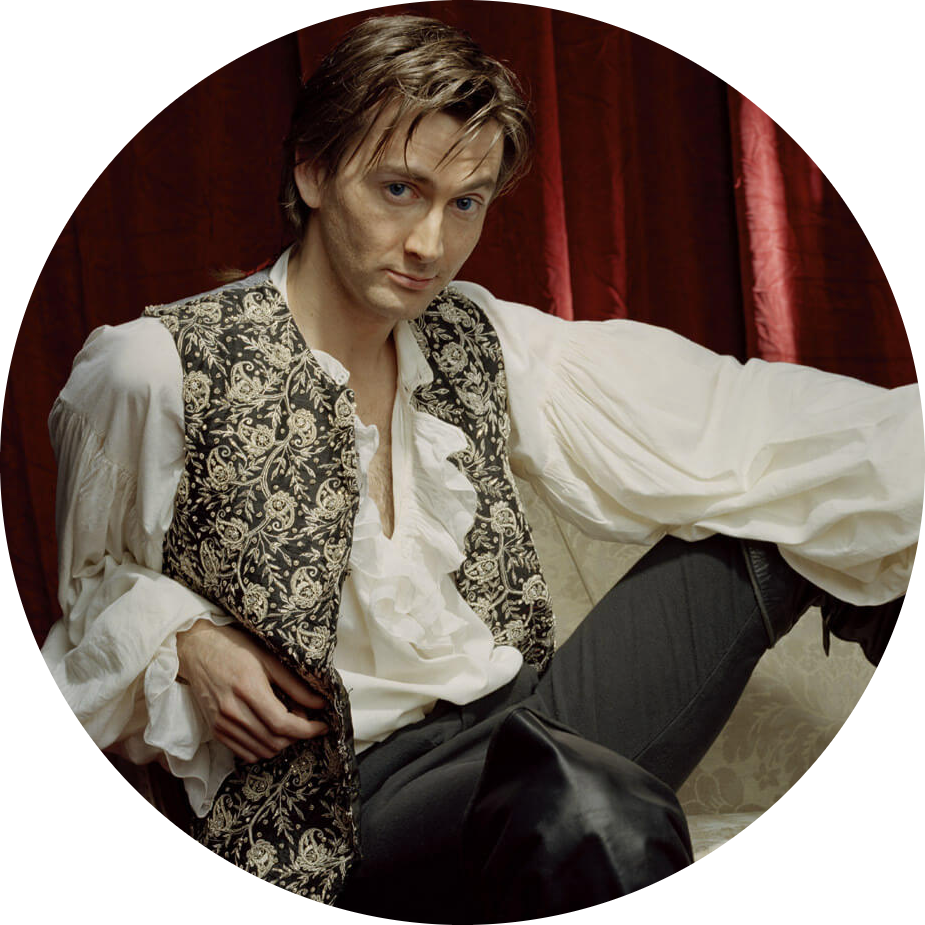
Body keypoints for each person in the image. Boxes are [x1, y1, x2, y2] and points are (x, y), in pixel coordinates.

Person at [41, 14, 920, 922]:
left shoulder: (475, 334)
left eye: (465, 203)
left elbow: (738, 418)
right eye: (399, 189)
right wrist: (180, 636)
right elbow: (91, 587)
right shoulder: (154, 367)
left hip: (525, 724)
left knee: (782, 502)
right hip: (335, 806)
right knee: (577, 802)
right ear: (310, 172)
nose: (430, 243)